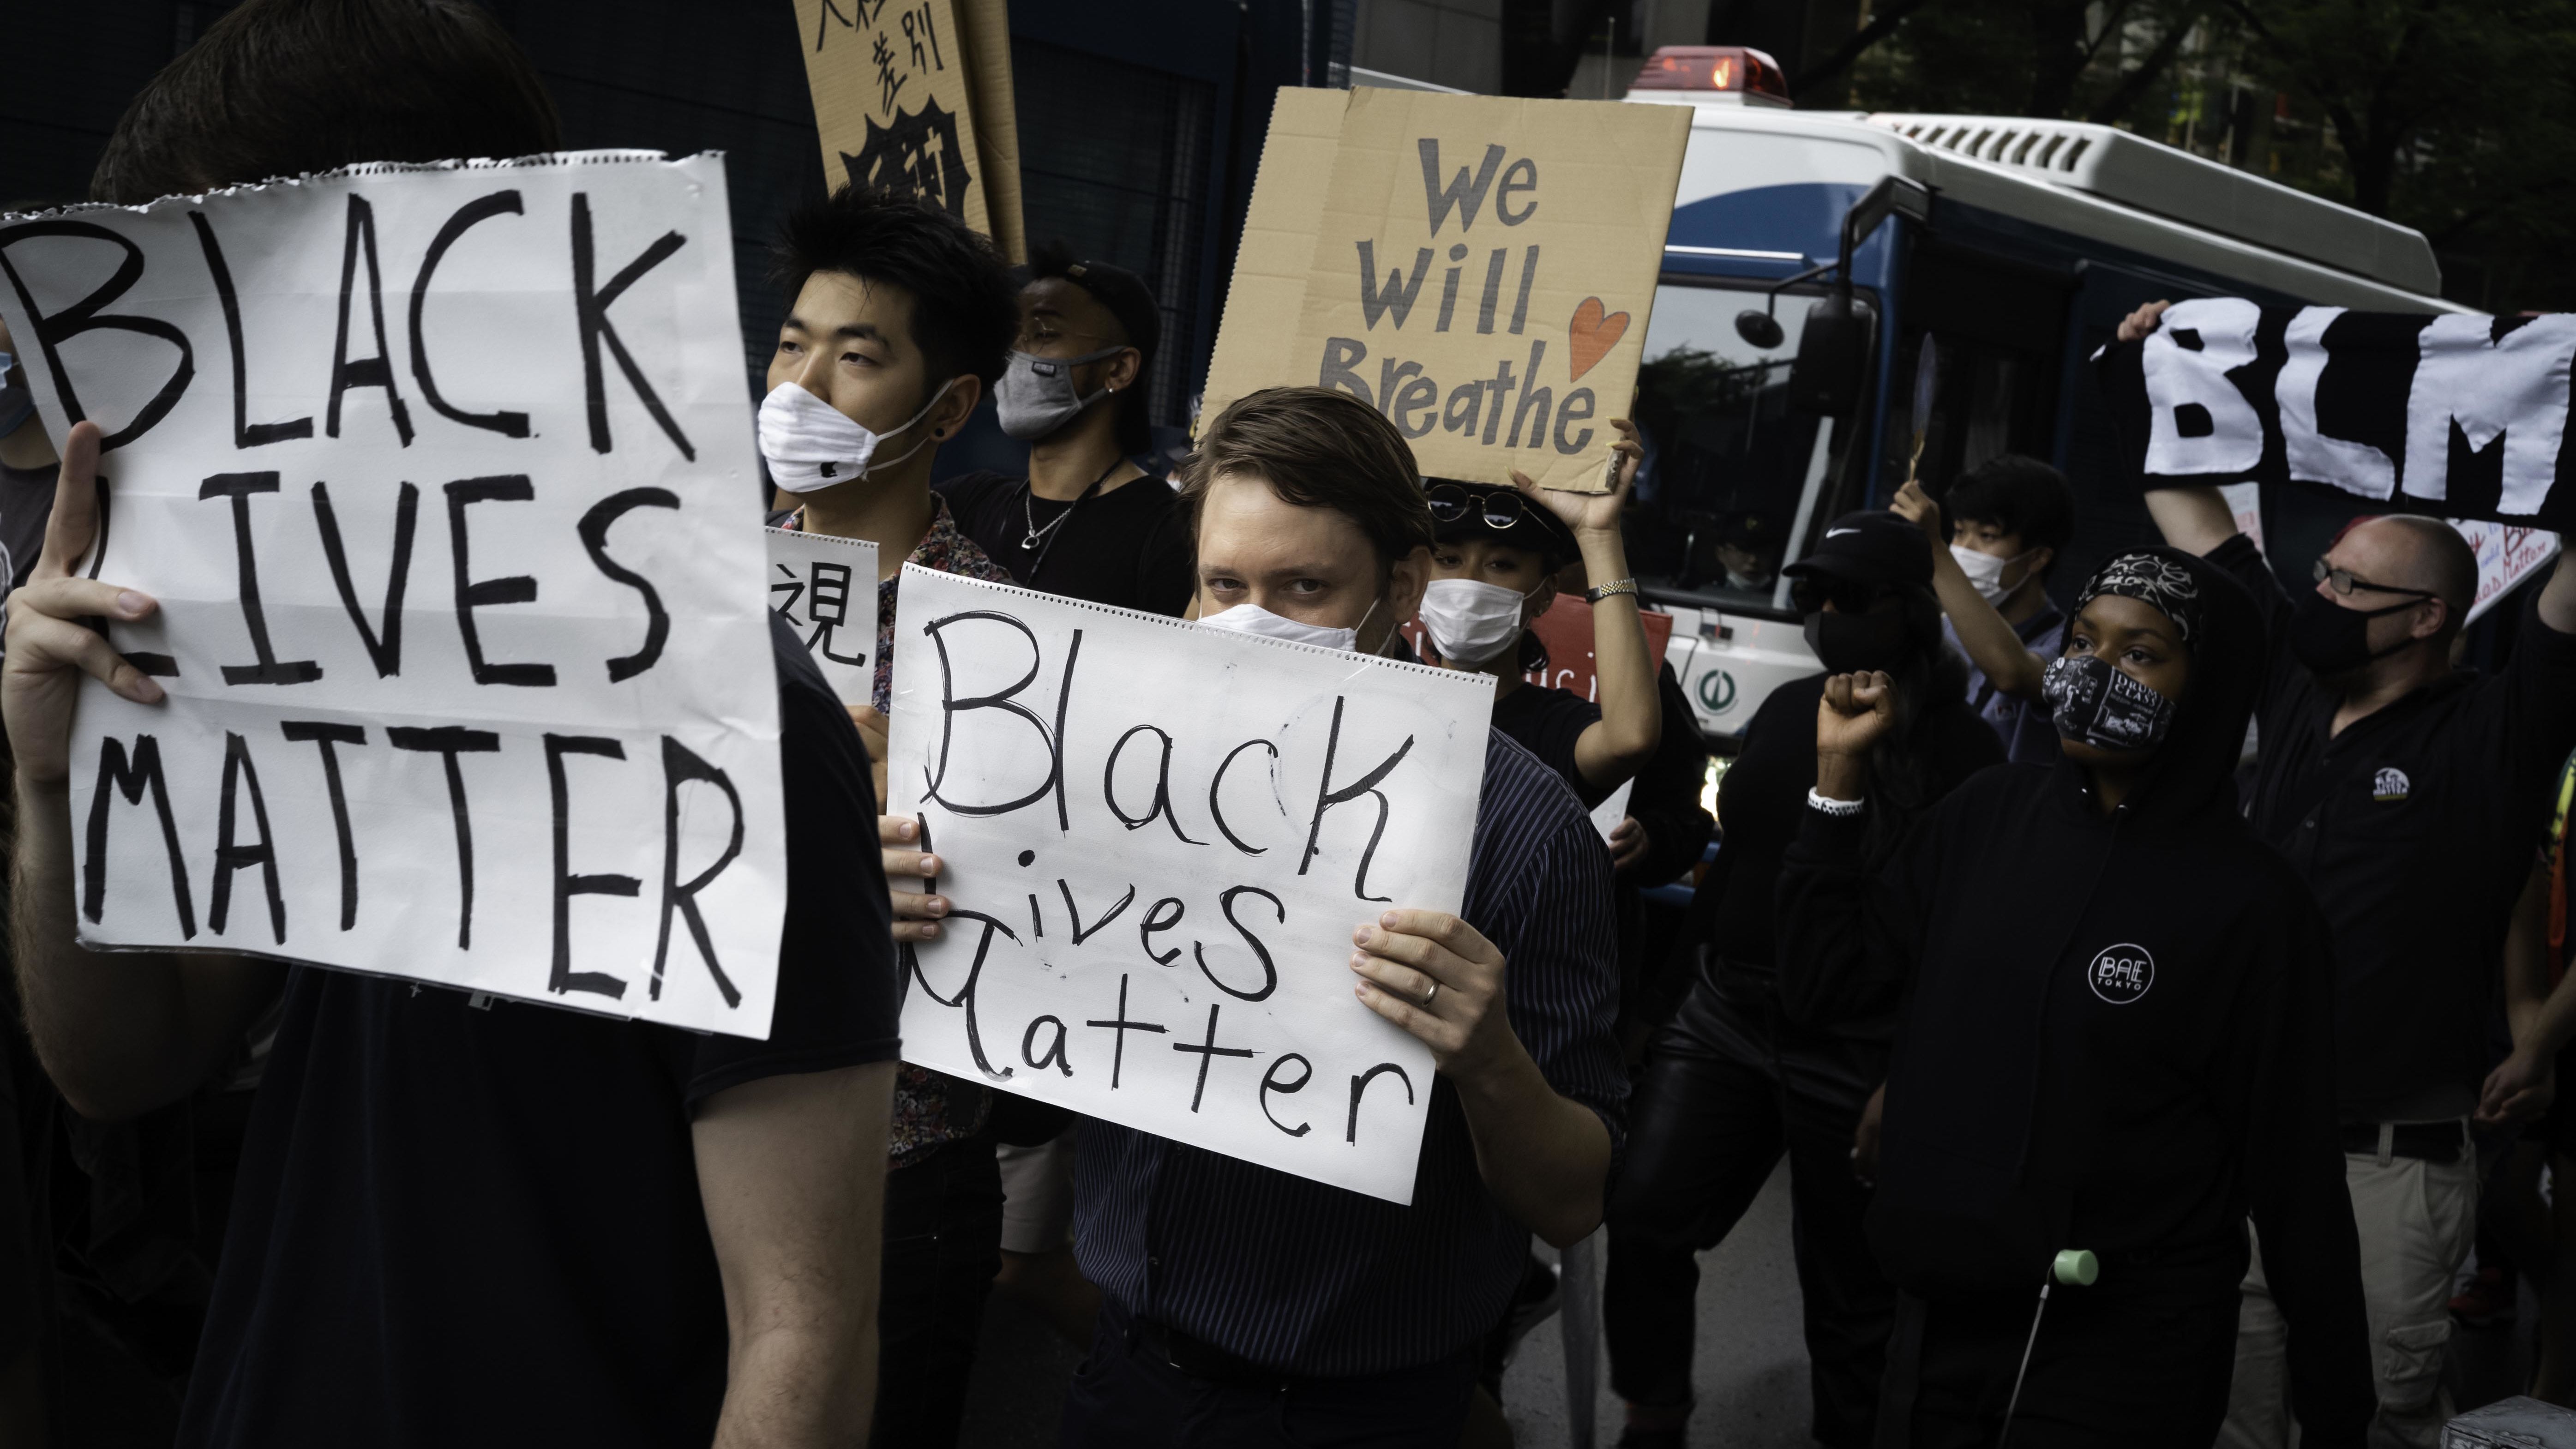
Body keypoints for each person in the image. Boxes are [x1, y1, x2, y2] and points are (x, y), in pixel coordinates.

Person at [5, 3, 903, 1445]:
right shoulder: (311, 662)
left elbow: (799, 1339)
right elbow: (119, 1060)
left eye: (240, 321)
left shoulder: (744, 725)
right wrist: (56, 789)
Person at [926, 385, 1622, 1447]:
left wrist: (1487, 1058)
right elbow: (1006, 1031)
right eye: (1223, 584)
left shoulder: (1524, 832)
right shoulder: (1106, 772)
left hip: (1356, 1412)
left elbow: (1573, 1199)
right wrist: (928, 912)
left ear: (1401, 583)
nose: (1253, 619)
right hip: (1125, 1370)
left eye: (1304, 586)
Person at [1777, 548, 2374, 1448]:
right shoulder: (1987, 816)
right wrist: (1835, 784)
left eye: (2139, 654)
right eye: (2084, 642)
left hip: (2124, 1353)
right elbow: (1826, 986)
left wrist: (2336, 1409)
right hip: (1941, 1317)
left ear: (2209, 687)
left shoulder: (2255, 908)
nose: (2091, 674)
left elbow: (2294, 1179)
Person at [2114, 299, 2576, 1448]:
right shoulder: (2284, 674)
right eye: (2320, 574)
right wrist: (2163, 371)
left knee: (2369, 1419)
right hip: (2236, 1148)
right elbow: (2186, 500)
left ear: (2426, 617)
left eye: (2348, 588)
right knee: (2228, 1413)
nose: (2318, 596)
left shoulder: (2495, 736)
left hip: (2386, 1180)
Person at [1603, 511, 2002, 1449]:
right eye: (1813, 596)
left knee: (1848, 1294)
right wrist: (1657, 1013)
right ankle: (1652, 1417)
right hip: (1726, 1012)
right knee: (1646, 1213)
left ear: (1906, 613)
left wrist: (1904, 1077)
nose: (1826, 614)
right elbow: (1734, 868)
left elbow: (1968, 942)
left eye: (1850, 598)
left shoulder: (1966, 758)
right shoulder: (1790, 710)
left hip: (1860, 1048)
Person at [756, 181, 1023, 1447]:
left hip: (887, 1182)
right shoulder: (677, 577)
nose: (802, 386)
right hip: (667, 1143)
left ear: (951, 405)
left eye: (856, 356)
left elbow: (1049, 939)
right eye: (791, 343)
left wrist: (931, 861)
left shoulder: (1011, 656)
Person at [936, 245, 1194, 615]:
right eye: (1012, 334)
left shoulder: (1168, 531)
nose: (1016, 353)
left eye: (1044, 333)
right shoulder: (966, 502)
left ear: (1118, 369)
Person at [1416, 447, 1661, 809]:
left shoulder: (1556, 729)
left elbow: (1629, 740)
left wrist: (1598, 535)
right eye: (1448, 560)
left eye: (1500, 565)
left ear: (1545, 593)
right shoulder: (1380, 696)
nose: (1468, 583)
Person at [1890, 455, 2075, 764]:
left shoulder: (2068, 645)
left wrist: (1935, 547)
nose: (1963, 549)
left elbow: (2013, 673)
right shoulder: (1940, 629)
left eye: (1987, 536)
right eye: (1959, 531)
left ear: (2037, 558)